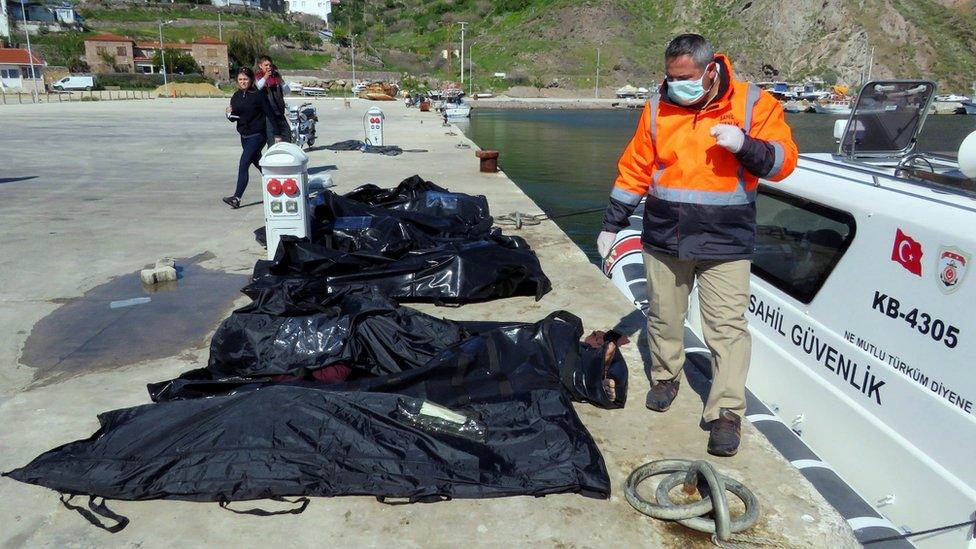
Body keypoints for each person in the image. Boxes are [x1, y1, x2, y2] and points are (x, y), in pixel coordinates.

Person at [596, 34, 798, 457]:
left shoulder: (752, 103)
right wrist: (612, 224)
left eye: (684, 78)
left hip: (726, 240)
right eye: (669, 77)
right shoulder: (657, 104)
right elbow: (637, 166)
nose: (675, 85)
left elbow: (783, 162)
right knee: (664, 316)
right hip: (664, 234)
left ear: (711, 70)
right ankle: (666, 377)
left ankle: (725, 412)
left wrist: (746, 147)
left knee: (726, 329)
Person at [223, 67, 286, 209]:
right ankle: (280, 183)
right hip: (244, 136)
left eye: (245, 79)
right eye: (240, 79)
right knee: (259, 163)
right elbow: (235, 118)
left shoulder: (258, 95)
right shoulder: (236, 96)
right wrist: (228, 114)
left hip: (257, 135)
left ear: (251, 80)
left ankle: (237, 198)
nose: (243, 82)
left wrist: (277, 135)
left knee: (244, 163)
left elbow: (270, 114)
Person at [255, 55, 292, 148]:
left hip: (280, 113)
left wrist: (281, 80)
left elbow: (288, 91)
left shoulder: (276, 77)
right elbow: (258, 87)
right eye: (266, 65)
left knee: (287, 137)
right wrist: (266, 76)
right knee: (272, 142)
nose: (268, 67)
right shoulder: (258, 77)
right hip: (268, 116)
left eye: (270, 65)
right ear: (260, 66)